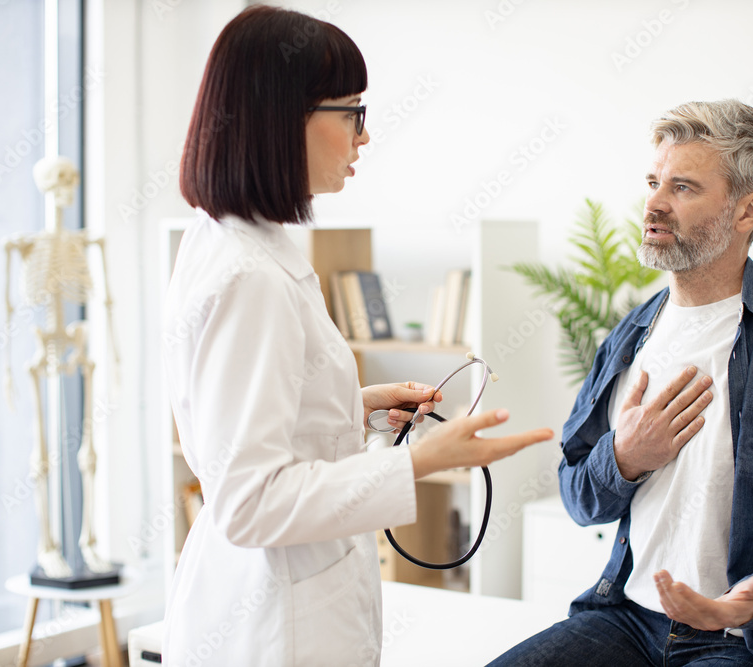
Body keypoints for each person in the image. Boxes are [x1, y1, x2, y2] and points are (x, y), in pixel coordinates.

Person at [161, 7, 554, 666]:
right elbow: (250, 502)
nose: (363, 137)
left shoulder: (229, 236)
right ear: (284, 117)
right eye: (352, 113)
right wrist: (418, 461)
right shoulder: (251, 275)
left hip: (276, 596)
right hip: (272, 619)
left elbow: (253, 421)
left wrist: (351, 402)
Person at [488, 100, 753, 666]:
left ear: (748, 210)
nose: (653, 203)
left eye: (683, 187)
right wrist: (623, 458)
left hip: (745, 641)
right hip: (625, 620)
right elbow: (578, 495)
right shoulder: (631, 335)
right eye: (653, 182)